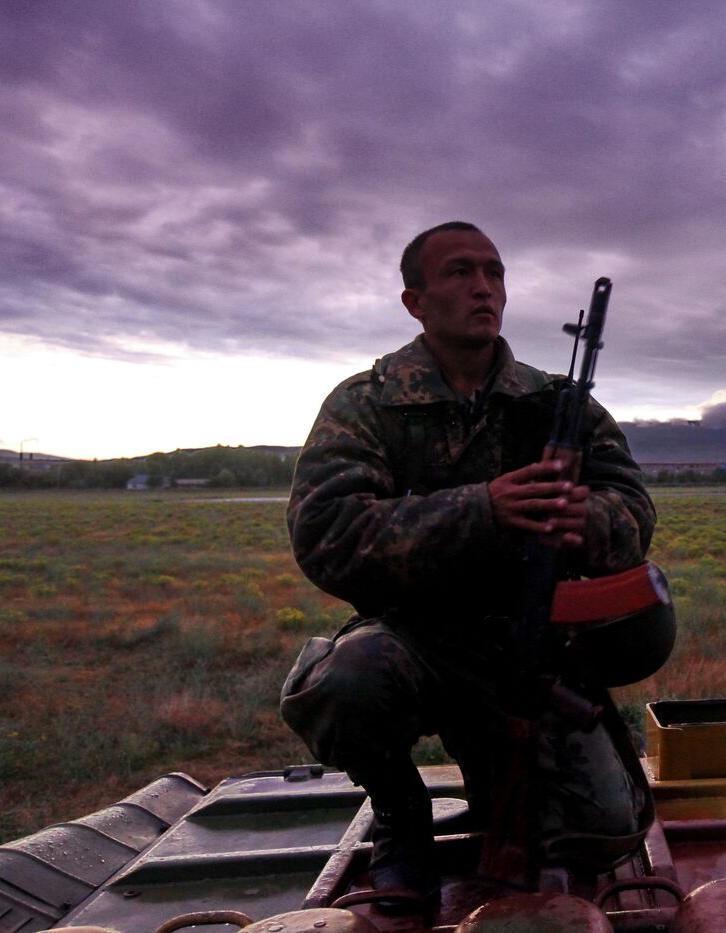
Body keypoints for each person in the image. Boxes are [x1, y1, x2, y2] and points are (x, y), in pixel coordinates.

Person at [279, 221, 656, 906]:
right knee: (349, 684)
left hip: (536, 653)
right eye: (459, 272)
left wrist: (584, 521)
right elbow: (325, 531)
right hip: (418, 644)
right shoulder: (366, 403)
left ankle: (503, 782)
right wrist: (481, 510)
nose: (483, 287)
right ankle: (400, 810)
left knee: (606, 829)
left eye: (495, 272)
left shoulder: (557, 404)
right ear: (415, 301)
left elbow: (633, 511)